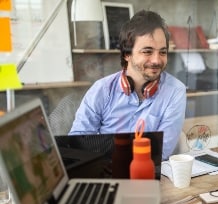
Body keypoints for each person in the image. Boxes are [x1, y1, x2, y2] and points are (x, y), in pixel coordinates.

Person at [69, 10, 186, 160]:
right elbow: (77, 141)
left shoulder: (175, 91)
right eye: (147, 51)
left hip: (147, 173)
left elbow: (161, 151)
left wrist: (104, 150)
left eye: (162, 52)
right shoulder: (102, 90)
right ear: (127, 54)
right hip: (105, 172)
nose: (157, 60)